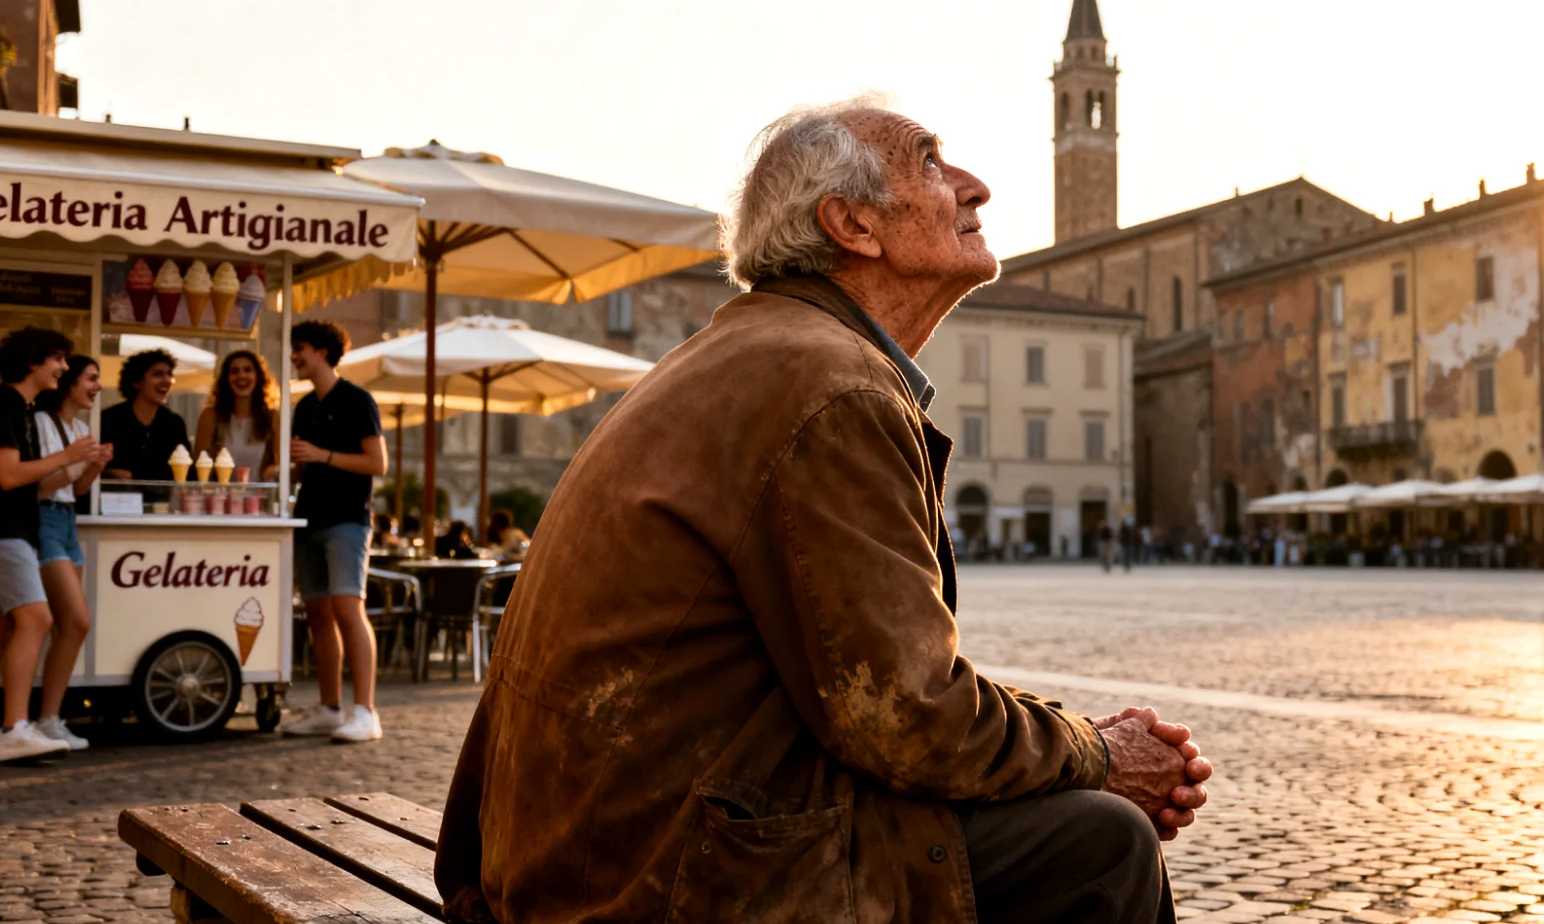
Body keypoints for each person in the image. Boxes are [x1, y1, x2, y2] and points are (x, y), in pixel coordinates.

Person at [436, 101, 1212, 924]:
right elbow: (907, 715)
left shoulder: (748, 355)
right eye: (930, 164)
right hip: (656, 883)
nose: (974, 187)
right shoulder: (832, 385)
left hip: (573, 855)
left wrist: (1074, 745)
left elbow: (874, 692)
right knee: (1103, 845)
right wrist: (1094, 752)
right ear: (851, 223)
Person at [0, 328, 103, 763]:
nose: (64, 367)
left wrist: (89, 465)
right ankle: (16, 726)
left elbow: (64, 486)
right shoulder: (10, 404)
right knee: (39, 618)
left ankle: (22, 723)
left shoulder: (20, 408)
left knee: (21, 624)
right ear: (32, 362)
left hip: (30, 528)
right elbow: (9, 476)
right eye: (58, 358)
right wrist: (69, 457)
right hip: (16, 528)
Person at [284, 320, 388, 743]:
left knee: (348, 610)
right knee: (318, 616)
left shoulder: (357, 400)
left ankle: (365, 711)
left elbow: (377, 464)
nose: (294, 356)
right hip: (309, 517)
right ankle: (329, 708)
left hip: (347, 520)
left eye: (300, 349)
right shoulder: (305, 406)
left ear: (323, 352)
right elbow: (305, 462)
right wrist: (290, 467)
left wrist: (322, 455)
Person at [31, 355, 112, 751]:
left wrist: (94, 466)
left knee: (68, 625)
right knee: (75, 621)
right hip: (44, 520)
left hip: (66, 522)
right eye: (91, 379)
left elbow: (76, 492)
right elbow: (39, 487)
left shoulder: (80, 428)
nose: (97, 387)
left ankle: (49, 718)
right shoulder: (43, 423)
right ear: (70, 384)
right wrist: (78, 462)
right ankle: (43, 718)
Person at [100, 349, 190, 482]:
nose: (167, 380)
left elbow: (185, 471)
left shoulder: (174, 423)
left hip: (163, 501)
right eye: (158, 374)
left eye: (169, 374)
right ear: (136, 382)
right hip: (117, 499)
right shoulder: (110, 419)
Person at [193, 350, 280, 481]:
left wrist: (274, 470)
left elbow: (282, 464)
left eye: (247, 370)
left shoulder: (272, 417)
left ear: (258, 376)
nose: (241, 376)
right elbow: (200, 467)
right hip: (220, 498)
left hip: (259, 498)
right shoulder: (210, 416)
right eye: (234, 371)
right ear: (226, 379)